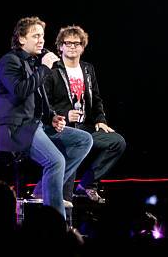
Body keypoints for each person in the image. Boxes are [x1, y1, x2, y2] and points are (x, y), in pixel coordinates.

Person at [0, 17, 93, 218]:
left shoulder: (34, 63)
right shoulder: (9, 61)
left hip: (34, 125)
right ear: (21, 39)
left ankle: (44, 190)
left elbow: (37, 100)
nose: (41, 40)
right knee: (56, 161)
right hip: (15, 129)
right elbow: (19, 91)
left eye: (42, 36)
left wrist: (52, 117)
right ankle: (55, 219)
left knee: (83, 140)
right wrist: (44, 69)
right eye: (35, 36)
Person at [43, 25, 126, 203]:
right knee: (71, 152)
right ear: (60, 46)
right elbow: (45, 102)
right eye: (68, 43)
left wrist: (100, 120)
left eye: (77, 43)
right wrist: (64, 113)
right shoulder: (53, 69)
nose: (72, 46)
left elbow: (96, 99)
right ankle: (61, 200)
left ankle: (87, 185)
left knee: (117, 142)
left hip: (85, 128)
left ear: (83, 46)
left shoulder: (88, 69)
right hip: (62, 128)